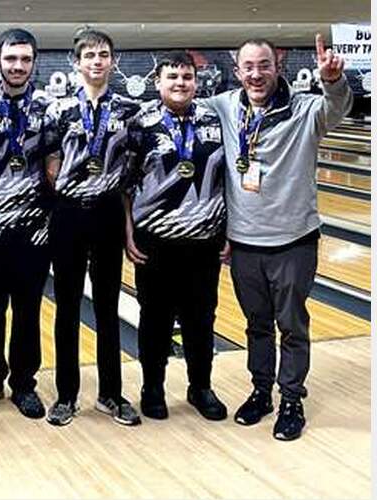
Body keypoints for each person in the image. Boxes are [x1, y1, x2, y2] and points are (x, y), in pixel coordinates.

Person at [204, 35, 352, 440]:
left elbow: (337, 109)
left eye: (263, 65)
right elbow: (175, 104)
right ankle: (260, 391)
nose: (256, 74)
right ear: (237, 72)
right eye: (248, 66)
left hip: (293, 241)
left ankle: (291, 399)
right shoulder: (224, 106)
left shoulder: (305, 109)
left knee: (292, 325)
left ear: (277, 67)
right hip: (245, 242)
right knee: (256, 326)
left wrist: (334, 81)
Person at [41, 29, 140, 427]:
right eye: (90, 55)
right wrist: (66, 191)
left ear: (112, 61)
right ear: (76, 62)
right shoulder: (58, 111)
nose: (97, 61)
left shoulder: (129, 110)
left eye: (103, 54)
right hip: (68, 214)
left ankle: (111, 395)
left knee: (106, 307)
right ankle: (66, 395)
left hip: (107, 214)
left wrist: (129, 228)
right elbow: (49, 162)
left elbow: (132, 172)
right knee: (66, 308)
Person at [122, 51, 228, 422]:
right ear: (158, 82)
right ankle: (152, 388)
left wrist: (228, 231)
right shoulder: (141, 124)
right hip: (156, 242)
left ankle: (201, 387)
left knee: (202, 318)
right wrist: (128, 233)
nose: (180, 83)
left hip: (204, 242)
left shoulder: (213, 119)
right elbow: (125, 183)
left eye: (187, 76)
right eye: (172, 76)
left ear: (196, 82)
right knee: (155, 319)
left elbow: (227, 179)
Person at [0, 29, 53, 419]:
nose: (18, 66)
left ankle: (23, 384)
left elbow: (55, 163)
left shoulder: (51, 107)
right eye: (10, 59)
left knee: (28, 310)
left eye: (25, 59)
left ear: (34, 61)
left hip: (34, 229)